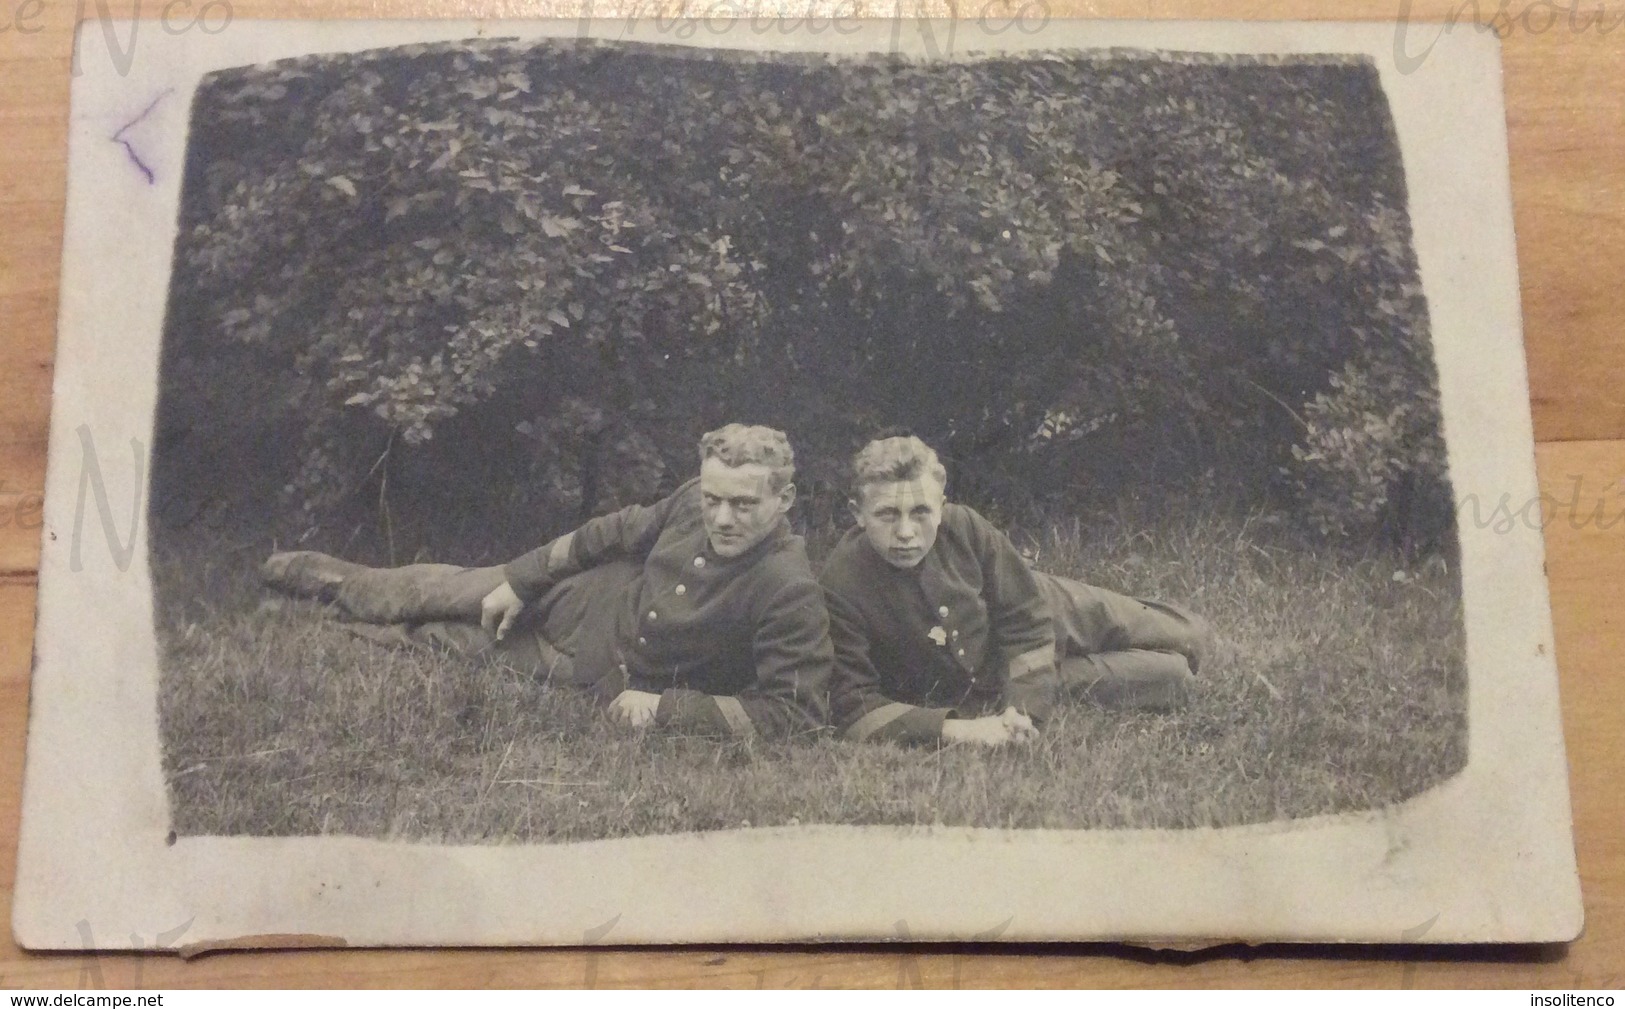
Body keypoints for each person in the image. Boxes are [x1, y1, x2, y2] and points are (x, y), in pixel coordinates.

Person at [262, 424, 833, 737]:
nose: (724, 518)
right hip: (577, 598)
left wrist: (665, 710)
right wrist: (522, 580)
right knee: (437, 590)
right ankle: (332, 580)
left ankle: (331, 621)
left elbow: (796, 713)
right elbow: (606, 535)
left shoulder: (791, 589)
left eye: (743, 504)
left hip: (584, 670)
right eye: (714, 500)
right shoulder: (690, 502)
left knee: (437, 643)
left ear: (783, 499)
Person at [819, 434, 1209, 747]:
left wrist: (1023, 708)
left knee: (1190, 637)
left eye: (920, 512)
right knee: (1173, 678)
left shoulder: (965, 527)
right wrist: (975, 727)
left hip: (1044, 605)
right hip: (995, 675)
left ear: (941, 505)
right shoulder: (842, 582)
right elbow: (853, 707)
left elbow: (1026, 618)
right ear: (857, 513)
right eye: (887, 514)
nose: (905, 532)